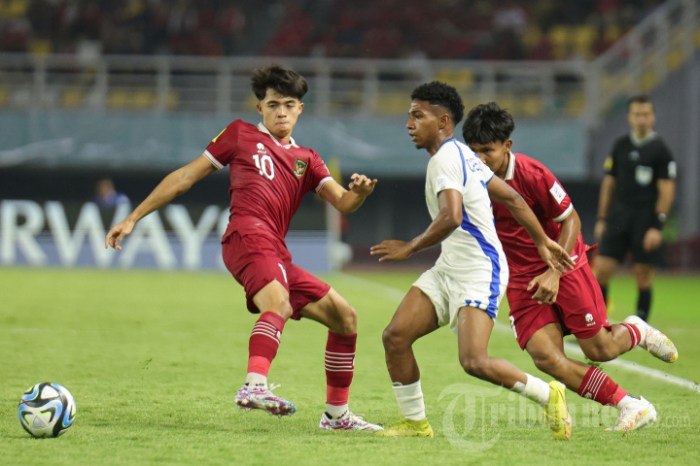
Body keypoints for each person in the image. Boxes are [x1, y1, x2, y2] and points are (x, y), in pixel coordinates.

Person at [105, 65, 382, 431]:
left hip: (276, 251)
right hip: (247, 237)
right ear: (260, 108)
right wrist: (134, 217)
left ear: (300, 109)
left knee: (344, 316)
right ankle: (254, 387)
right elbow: (186, 177)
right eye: (272, 104)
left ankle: (336, 416)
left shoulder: (309, 159)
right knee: (278, 304)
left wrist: (359, 194)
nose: (280, 111)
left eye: (288, 104)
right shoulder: (239, 135)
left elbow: (344, 203)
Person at [370, 82, 575, 439]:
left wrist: (410, 247)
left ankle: (549, 393)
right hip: (450, 267)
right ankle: (416, 424)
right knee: (395, 336)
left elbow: (451, 217)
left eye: (418, 116)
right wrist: (542, 241)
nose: (409, 124)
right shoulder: (461, 154)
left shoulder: (448, 160)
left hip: (480, 271)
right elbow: (512, 198)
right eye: (409, 116)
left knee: (474, 361)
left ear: (443, 120)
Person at [462, 102, 678, 432]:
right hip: (521, 279)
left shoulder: (533, 175)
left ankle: (636, 330)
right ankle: (631, 404)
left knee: (600, 349)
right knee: (546, 357)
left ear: (507, 146)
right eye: (473, 151)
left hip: (565, 264)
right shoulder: (469, 180)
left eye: (487, 151)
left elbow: (571, 220)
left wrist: (554, 272)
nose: (480, 159)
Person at [593, 94, 677, 322]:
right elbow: (609, 184)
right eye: (637, 114)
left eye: (646, 114)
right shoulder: (620, 145)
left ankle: (641, 326)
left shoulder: (660, 150)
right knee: (601, 270)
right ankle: (598, 325)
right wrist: (602, 218)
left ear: (653, 117)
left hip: (645, 220)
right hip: (619, 217)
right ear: (630, 117)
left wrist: (657, 226)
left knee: (642, 275)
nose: (642, 119)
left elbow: (666, 190)